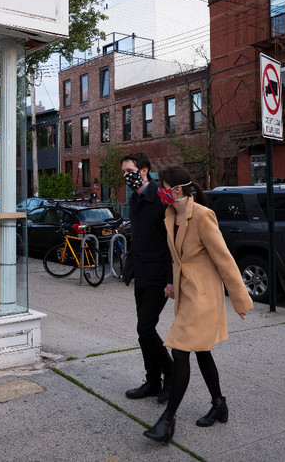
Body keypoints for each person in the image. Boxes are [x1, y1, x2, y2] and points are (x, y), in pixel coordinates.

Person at [143, 166, 253, 443]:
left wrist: (240, 299)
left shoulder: (203, 216)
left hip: (204, 297)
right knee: (201, 351)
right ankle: (219, 404)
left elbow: (224, 258)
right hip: (185, 294)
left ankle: (167, 421)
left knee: (180, 352)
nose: (161, 193)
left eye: (164, 188)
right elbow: (175, 257)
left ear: (177, 189)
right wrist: (170, 282)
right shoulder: (170, 215)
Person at [120, 153, 174, 404]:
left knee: (146, 328)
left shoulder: (163, 198)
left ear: (144, 170)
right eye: (123, 172)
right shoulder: (134, 198)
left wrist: (171, 279)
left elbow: (175, 243)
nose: (125, 176)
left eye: (128, 170)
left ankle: (172, 376)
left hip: (159, 275)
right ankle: (153, 382)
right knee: (143, 332)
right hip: (141, 272)